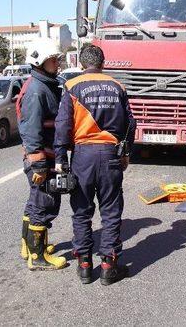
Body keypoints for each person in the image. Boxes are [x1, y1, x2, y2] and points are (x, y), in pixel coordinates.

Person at [54, 45, 135, 286]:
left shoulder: (71, 86)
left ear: (81, 64)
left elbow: (62, 126)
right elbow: (131, 122)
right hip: (110, 154)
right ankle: (109, 266)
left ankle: (85, 265)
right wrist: (125, 151)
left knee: (81, 211)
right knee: (110, 211)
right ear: (103, 63)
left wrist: (60, 159)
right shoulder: (118, 86)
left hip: (82, 156)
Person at [18, 39, 66, 271]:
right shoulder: (37, 91)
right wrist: (38, 163)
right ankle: (37, 257)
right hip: (42, 158)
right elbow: (31, 128)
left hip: (43, 155)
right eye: (53, 60)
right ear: (40, 62)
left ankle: (29, 246)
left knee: (34, 202)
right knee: (45, 202)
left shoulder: (43, 84)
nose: (57, 63)